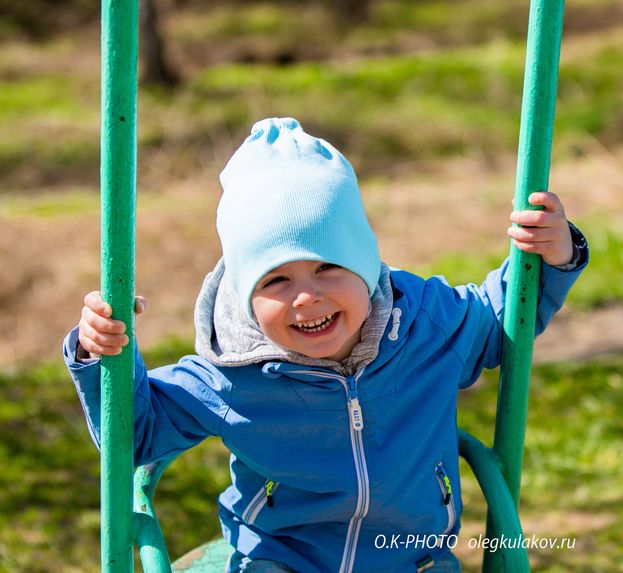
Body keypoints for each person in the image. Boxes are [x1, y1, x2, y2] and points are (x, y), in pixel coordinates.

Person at [64, 117, 588, 573]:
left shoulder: (424, 324)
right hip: (281, 559)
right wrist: (100, 354)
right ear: (245, 294)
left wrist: (553, 254)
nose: (307, 297)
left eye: (328, 267)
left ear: (364, 263)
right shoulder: (229, 374)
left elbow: (501, 320)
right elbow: (136, 435)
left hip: (413, 558)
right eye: (276, 280)